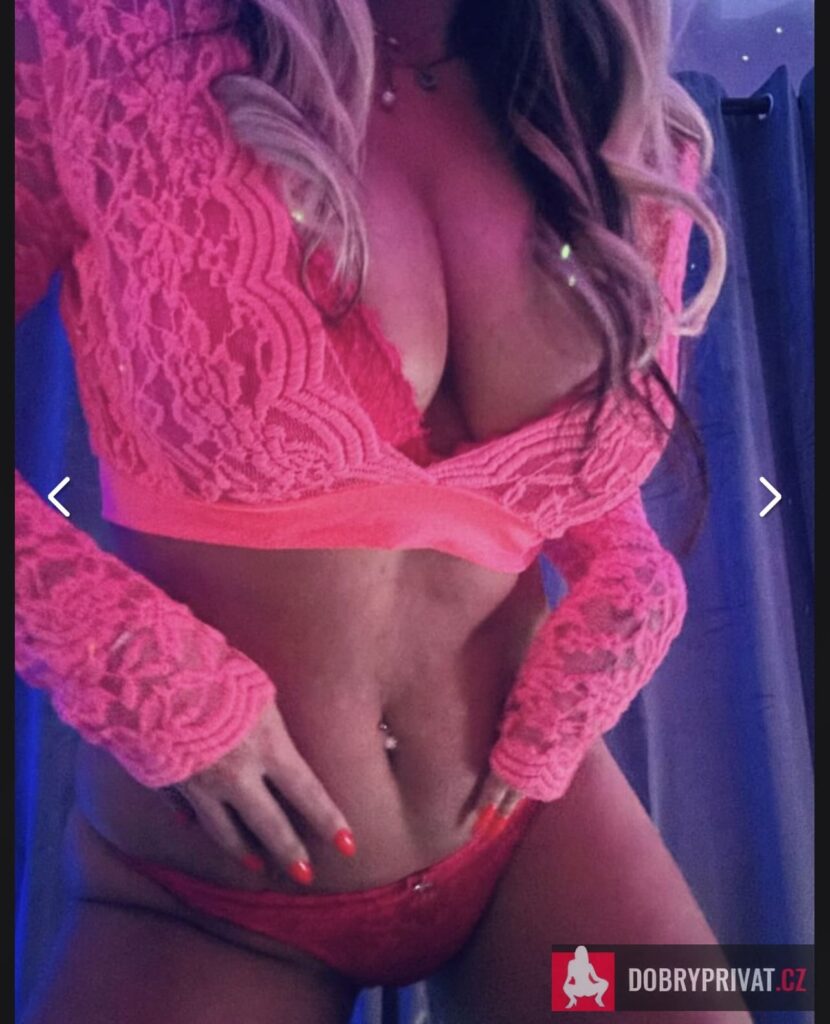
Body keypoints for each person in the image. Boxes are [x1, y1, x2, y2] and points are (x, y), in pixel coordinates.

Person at [15, 1, 747, 1021]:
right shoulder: (101, 35)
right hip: (202, 895)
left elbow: (562, 474)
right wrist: (126, 659)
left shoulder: (603, 110)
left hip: (529, 829)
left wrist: (628, 576)